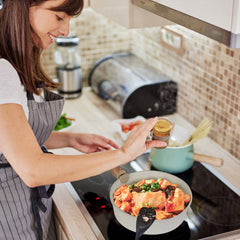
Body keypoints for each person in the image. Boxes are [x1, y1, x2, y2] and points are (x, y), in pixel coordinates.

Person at [0, 0, 167, 239]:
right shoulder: (2, 70)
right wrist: (124, 154)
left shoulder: (10, 60)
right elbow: (33, 169)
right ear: (22, 6)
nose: (65, 31)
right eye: (59, 17)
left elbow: (10, 138)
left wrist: (69, 138)